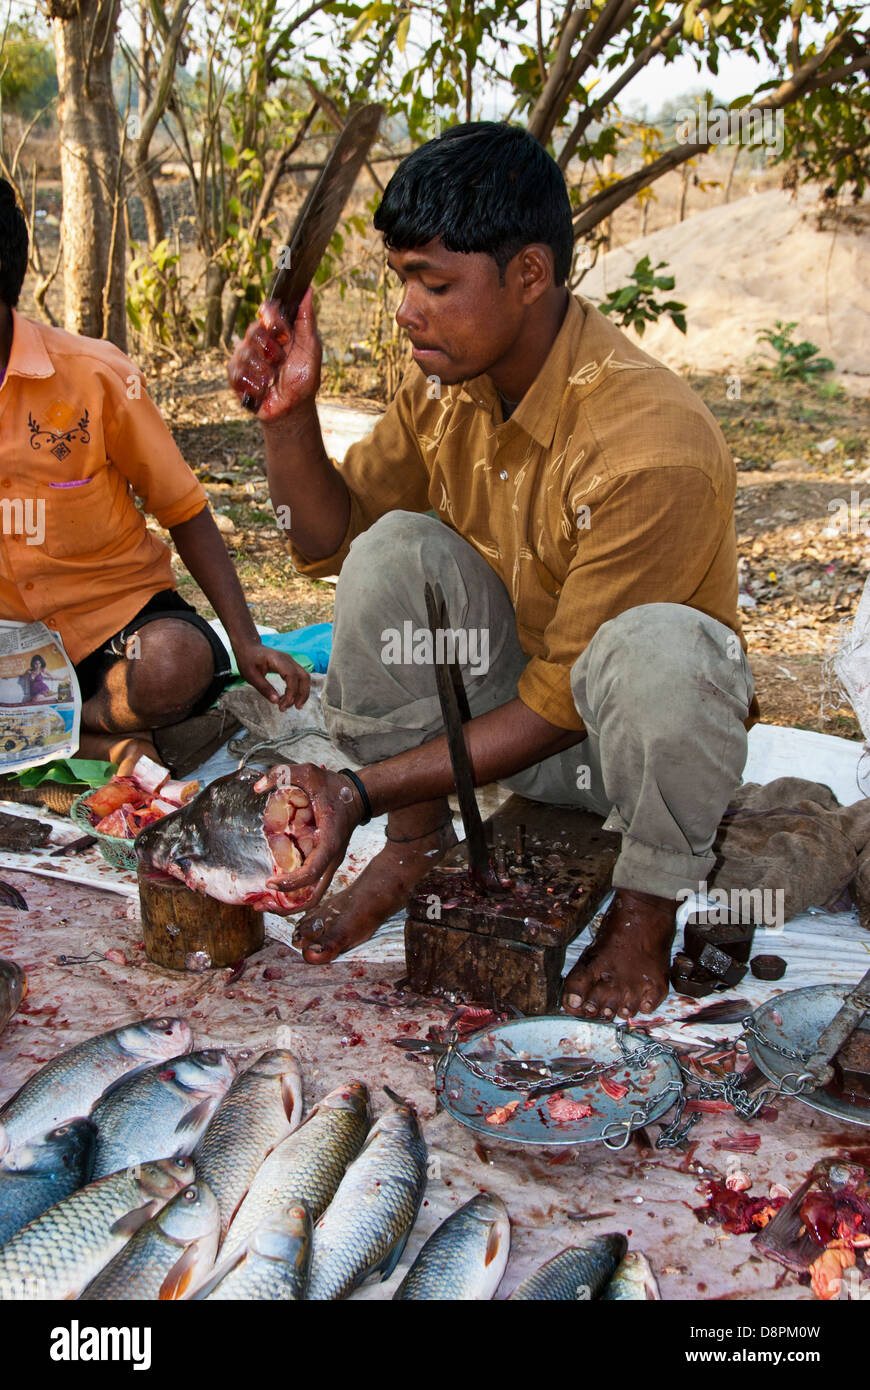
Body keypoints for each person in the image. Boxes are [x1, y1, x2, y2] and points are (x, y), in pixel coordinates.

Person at [227, 122, 757, 1020]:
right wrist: (287, 417)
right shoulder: (443, 384)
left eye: (435, 283)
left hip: (627, 754)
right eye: (402, 279)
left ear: (531, 275)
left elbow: (563, 705)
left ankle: (646, 908)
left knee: (664, 647)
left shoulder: (649, 443)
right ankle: (416, 844)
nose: (407, 311)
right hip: (503, 734)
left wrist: (354, 788)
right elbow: (328, 541)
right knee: (393, 548)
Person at [0, 179, 310, 774]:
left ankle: (65, 721)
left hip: (118, 633)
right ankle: (102, 741)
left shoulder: (94, 375)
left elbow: (184, 509)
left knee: (176, 665)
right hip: (10, 650)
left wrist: (246, 642)